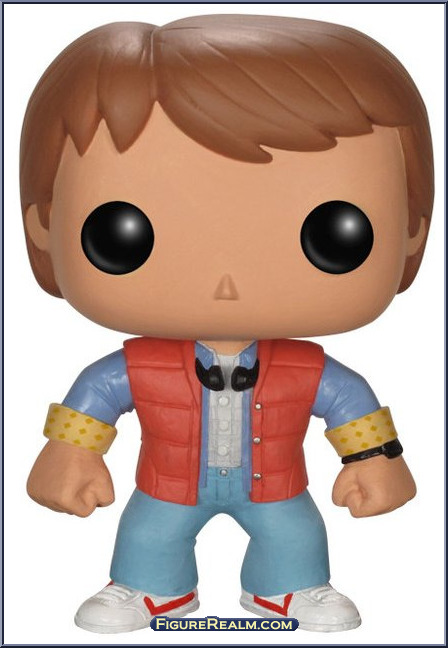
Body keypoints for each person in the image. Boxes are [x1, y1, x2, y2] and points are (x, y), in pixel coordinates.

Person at [21, 15, 433, 633]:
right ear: (44, 226)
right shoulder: (138, 366)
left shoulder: (307, 368)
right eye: (124, 232)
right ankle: (148, 588)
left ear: (411, 231)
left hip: (278, 487)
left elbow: (351, 404)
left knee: (294, 534)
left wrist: (376, 458)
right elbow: (96, 397)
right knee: (148, 533)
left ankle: (290, 587)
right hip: (166, 486)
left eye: (333, 233)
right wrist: (69, 451)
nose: (227, 283)